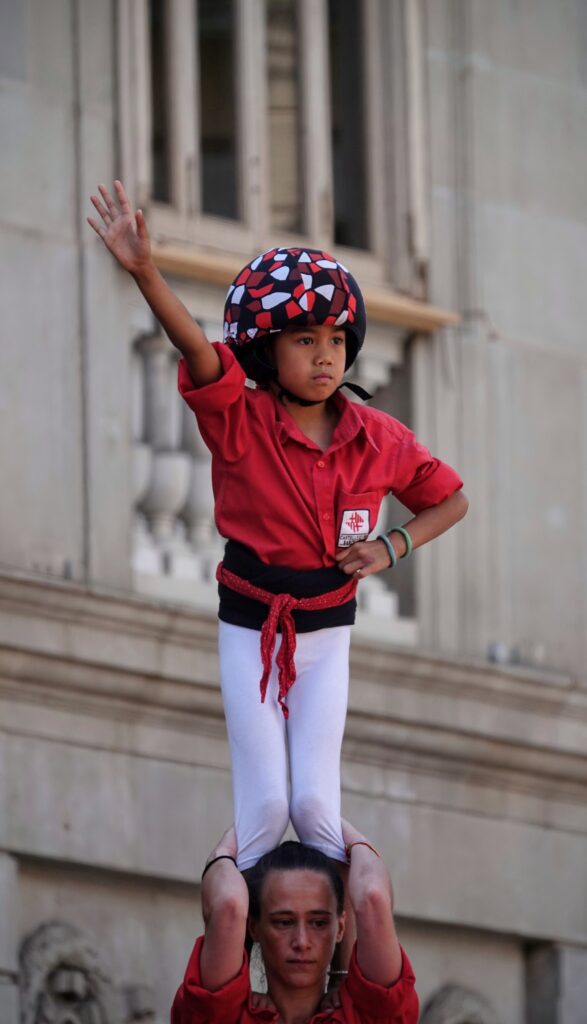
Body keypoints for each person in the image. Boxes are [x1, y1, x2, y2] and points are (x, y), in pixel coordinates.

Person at [88, 182, 468, 872]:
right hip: (249, 628)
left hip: (328, 636)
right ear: (267, 352)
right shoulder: (239, 420)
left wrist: (391, 547)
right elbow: (200, 355)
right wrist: (145, 271)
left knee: (317, 810)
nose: (324, 355)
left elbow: (450, 500)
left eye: (334, 339)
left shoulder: (378, 437)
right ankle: (233, 938)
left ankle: (355, 934)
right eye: (303, 339)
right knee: (263, 811)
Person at [171, 819, 419, 1024]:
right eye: (284, 922)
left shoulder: (361, 1018)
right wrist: (231, 846)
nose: (301, 941)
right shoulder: (227, 1017)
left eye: (318, 923)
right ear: (254, 927)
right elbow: (229, 905)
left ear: (340, 927)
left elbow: (372, 898)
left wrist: (324, 818)